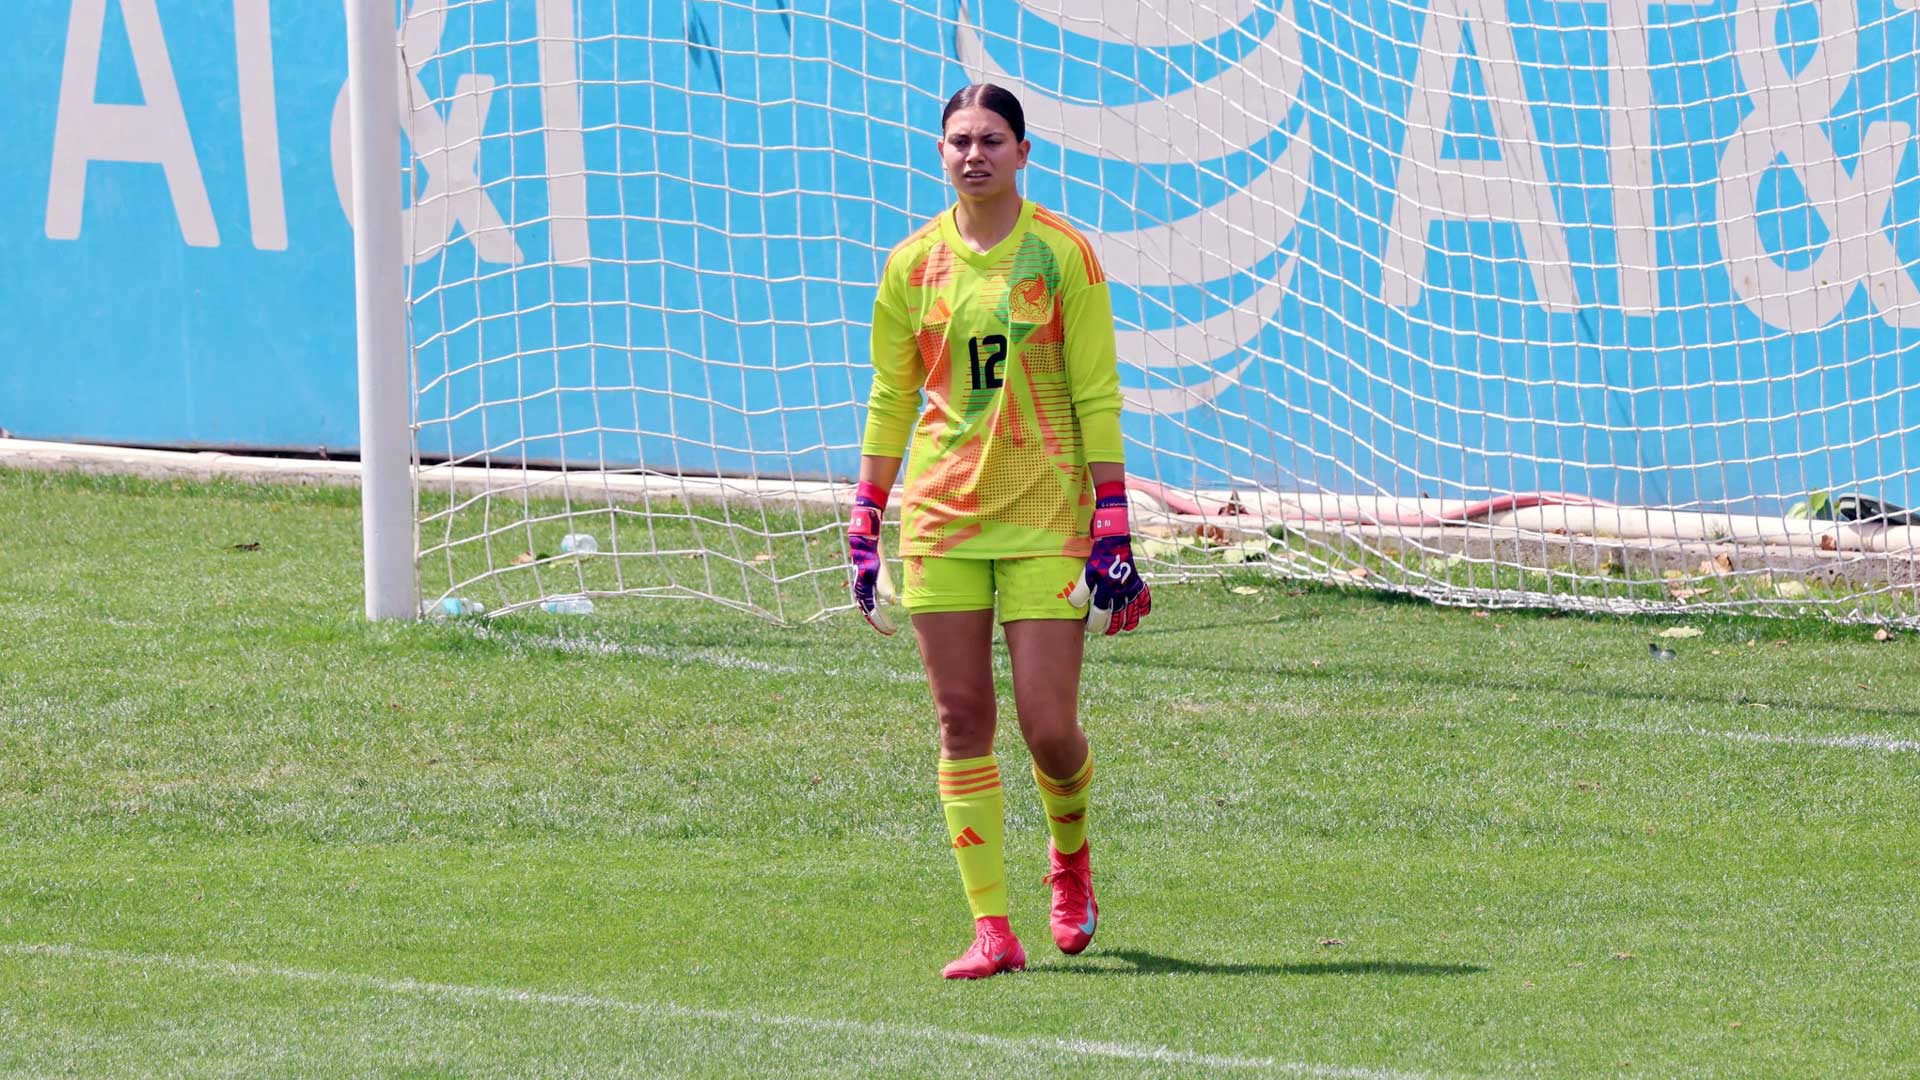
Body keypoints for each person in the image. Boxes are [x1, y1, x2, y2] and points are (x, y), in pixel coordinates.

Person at [845, 83, 1152, 980]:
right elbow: (894, 394)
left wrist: (1114, 523)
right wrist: (867, 516)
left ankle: (1071, 862)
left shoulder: (1064, 258)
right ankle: (992, 929)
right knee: (960, 717)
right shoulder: (910, 266)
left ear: (1024, 152)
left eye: (990, 140)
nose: (972, 154)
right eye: (957, 141)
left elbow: (1096, 392)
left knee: (1048, 726)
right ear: (940, 154)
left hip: (1047, 519)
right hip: (940, 520)